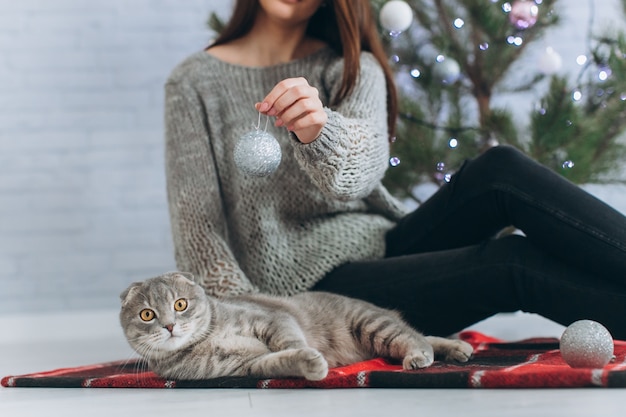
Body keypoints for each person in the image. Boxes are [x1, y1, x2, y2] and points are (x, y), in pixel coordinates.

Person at [164, 0, 626, 339]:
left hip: (382, 243)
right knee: (511, 264)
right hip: (306, 294)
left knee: (500, 169)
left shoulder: (351, 65)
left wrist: (319, 130)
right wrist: (257, 324)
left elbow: (360, 175)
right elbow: (198, 233)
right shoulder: (193, 83)